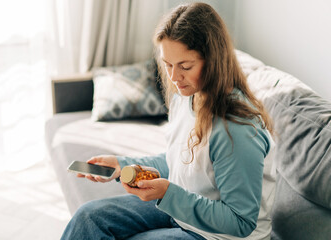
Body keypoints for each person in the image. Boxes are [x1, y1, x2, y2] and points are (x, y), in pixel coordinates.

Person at [61, 2, 276, 240]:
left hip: (218, 235)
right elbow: (182, 162)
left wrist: (167, 194)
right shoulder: (187, 96)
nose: (174, 77)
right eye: (167, 65)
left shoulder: (236, 129)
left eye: (185, 66)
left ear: (214, 61)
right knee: (88, 218)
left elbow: (241, 221)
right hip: (183, 210)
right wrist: (123, 165)